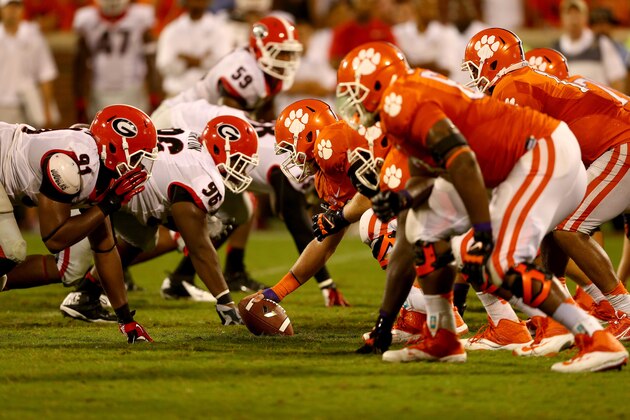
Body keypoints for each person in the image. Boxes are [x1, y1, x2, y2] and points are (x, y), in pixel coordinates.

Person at [336, 41, 627, 372]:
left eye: (354, 91)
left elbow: (462, 161)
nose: (351, 102)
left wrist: (484, 231)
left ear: (376, 84)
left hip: (539, 152)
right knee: (422, 229)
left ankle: (596, 339)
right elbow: (408, 234)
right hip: (523, 158)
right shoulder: (405, 107)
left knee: (498, 262)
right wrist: (383, 326)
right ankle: (442, 336)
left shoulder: (402, 101)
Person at [463, 28, 630, 345]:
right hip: (615, 142)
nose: (474, 76)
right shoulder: (526, 80)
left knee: (569, 226)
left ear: (492, 62)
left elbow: (514, 161)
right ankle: (558, 314)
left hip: (621, 142)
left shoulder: (513, 87)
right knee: (557, 223)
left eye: (475, 67)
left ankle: (623, 310)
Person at [29, 116, 257, 325]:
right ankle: (6, 277)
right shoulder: (204, 176)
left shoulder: (188, 138)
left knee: (143, 237)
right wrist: (225, 302)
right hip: (94, 189)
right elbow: (198, 248)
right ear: (221, 149)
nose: (243, 170)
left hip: (122, 194)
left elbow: (163, 195)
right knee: (67, 269)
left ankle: (86, 297)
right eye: (240, 160)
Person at [151, 15, 303, 295]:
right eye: (279, 52)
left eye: (288, 53)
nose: (284, 59)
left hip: (201, 134)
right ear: (260, 49)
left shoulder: (265, 73)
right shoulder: (243, 71)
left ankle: (218, 271)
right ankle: (106, 274)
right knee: (151, 209)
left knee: (240, 207)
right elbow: (231, 125)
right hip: (177, 127)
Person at [156, 99, 348, 306]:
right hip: (188, 130)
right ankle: (167, 272)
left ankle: (212, 272)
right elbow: (293, 218)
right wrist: (325, 284)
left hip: (205, 131)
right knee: (158, 221)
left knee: (240, 212)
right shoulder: (307, 154)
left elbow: (288, 210)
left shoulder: (310, 150)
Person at [0, 104, 158, 343]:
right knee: (10, 250)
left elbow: (105, 248)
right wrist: (107, 205)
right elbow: (54, 238)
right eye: (137, 157)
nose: (141, 167)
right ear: (114, 148)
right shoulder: (71, 165)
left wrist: (126, 320)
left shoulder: (100, 168)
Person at [73, 0, 161, 123]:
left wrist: (153, 94)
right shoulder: (86, 19)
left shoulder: (140, 17)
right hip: (100, 90)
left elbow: (150, 60)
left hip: (132, 88)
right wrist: (80, 100)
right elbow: (80, 64)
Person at [156, 0, 234, 98]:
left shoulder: (220, 29)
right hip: (177, 93)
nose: (196, 2)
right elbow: (164, 65)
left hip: (209, 96)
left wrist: (187, 59)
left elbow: (224, 62)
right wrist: (203, 60)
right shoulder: (172, 30)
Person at [0, 0, 59, 127]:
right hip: (2, 105)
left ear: (21, 9)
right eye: (9, 8)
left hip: (29, 105)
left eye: (16, 7)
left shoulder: (33, 35)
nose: (12, 12)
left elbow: (45, 73)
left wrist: (46, 108)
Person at [551, 0, 626, 93]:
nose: (574, 20)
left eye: (577, 14)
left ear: (585, 17)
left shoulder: (601, 43)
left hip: (599, 104)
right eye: (569, 14)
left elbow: (616, 77)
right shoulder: (556, 50)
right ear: (562, 18)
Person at [328, 0, 396, 70]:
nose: (365, 2)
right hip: (352, 75)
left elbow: (394, 53)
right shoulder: (343, 31)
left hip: (381, 73)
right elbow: (334, 61)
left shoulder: (383, 28)